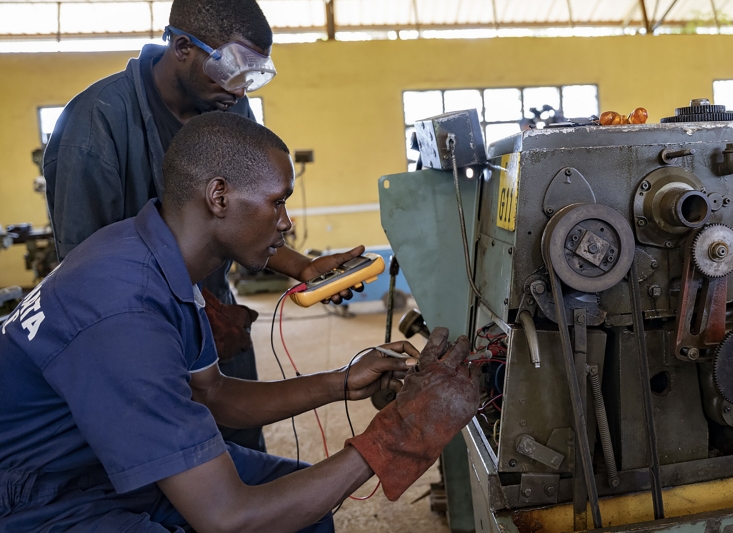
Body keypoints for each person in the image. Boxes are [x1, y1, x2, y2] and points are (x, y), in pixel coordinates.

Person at [0, 113, 479, 532]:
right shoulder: (124, 310)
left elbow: (214, 395)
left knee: (301, 505)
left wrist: (342, 383)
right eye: (277, 201)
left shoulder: (152, 254)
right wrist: (399, 434)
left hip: (95, 459)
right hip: (40, 495)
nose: (287, 222)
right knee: (265, 514)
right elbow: (229, 518)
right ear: (219, 196)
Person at [42, 0, 354, 452]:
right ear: (182, 46)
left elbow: (237, 221)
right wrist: (183, 316)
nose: (240, 86)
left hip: (210, 308)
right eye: (230, 68)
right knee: (166, 453)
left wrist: (301, 268)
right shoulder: (96, 125)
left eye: (254, 73)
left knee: (240, 443)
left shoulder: (231, 108)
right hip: (128, 324)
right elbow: (84, 275)